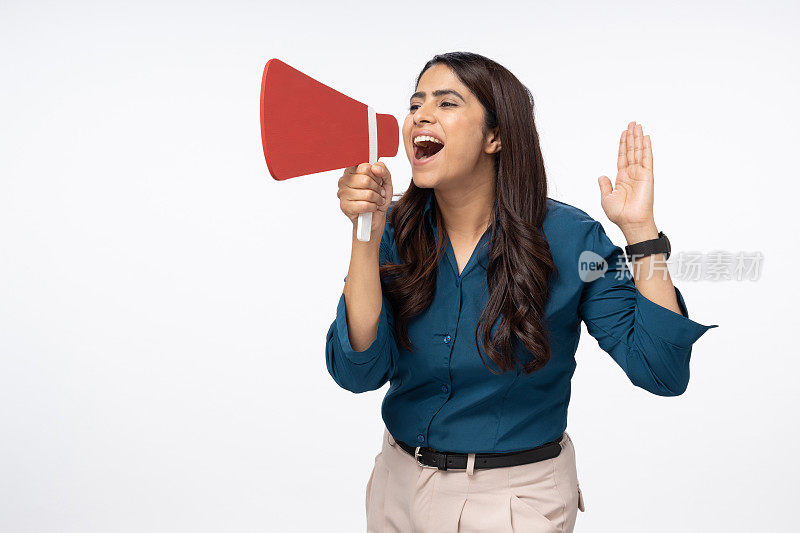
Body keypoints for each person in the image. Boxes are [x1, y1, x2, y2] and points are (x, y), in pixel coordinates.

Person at [325, 51, 717, 533]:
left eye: (447, 103)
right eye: (415, 104)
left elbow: (661, 369)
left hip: (514, 502)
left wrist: (641, 233)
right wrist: (366, 229)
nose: (420, 116)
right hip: (397, 489)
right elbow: (357, 371)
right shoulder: (395, 230)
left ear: (496, 136)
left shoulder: (572, 238)